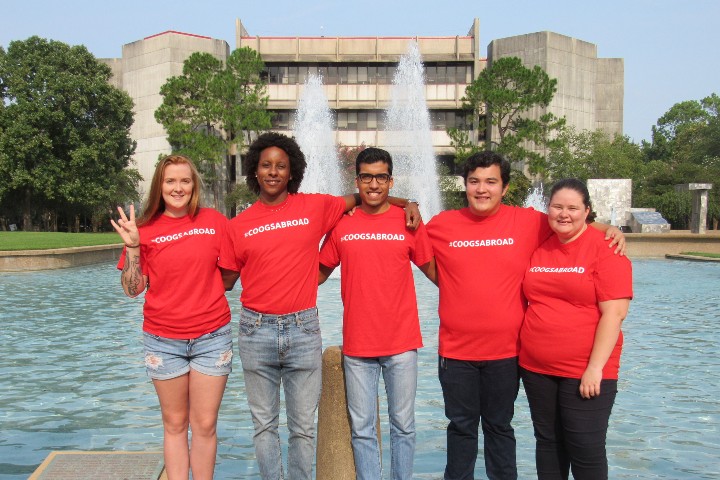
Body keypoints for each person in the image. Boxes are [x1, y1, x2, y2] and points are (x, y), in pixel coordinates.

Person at [218, 133, 421, 480]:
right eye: (266, 165)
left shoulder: (315, 207)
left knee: (302, 428)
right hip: (255, 329)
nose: (273, 172)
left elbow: (368, 195)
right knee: (264, 427)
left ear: (292, 171)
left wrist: (408, 202)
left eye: (281, 166)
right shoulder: (237, 226)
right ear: (254, 170)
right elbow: (223, 282)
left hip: (302, 328)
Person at [425, 151, 625, 480]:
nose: (482, 189)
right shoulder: (443, 225)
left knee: (499, 428)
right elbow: (414, 250)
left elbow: (569, 220)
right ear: (465, 186)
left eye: (491, 182)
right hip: (456, 351)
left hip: (507, 353)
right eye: (474, 181)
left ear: (504, 188)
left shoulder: (528, 222)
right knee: (461, 429)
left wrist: (608, 227)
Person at [111, 155, 232, 480]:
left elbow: (230, 273)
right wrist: (135, 247)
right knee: (175, 424)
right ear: (159, 186)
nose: (178, 188)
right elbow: (132, 289)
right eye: (170, 181)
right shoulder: (145, 229)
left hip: (212, 337)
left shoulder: (215, 222)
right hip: (163, 341)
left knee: (205, 424)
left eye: (184, 181)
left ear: (194, 186)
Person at [318, 147, 436, 480]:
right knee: (363, 430)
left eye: (381, 176)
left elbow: (434, 273)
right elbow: (317, 273)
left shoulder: (408, 221)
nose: (374, 184)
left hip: (401, 343)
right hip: (358, 346)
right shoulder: (342, 225)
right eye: (367, 176)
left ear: (390, 180)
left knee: (404, 427)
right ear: (357, 181)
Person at [519, 178, 632, 479]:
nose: (564, 213)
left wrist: (595, 368)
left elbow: (615, 313)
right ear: (548, 210)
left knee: (585, 447)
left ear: (587, 212)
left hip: (586, 370)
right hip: (536, 368)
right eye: (557, 206)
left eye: (573, 208)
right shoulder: (541, 244)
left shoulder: (606, 249)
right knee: (548, 444)